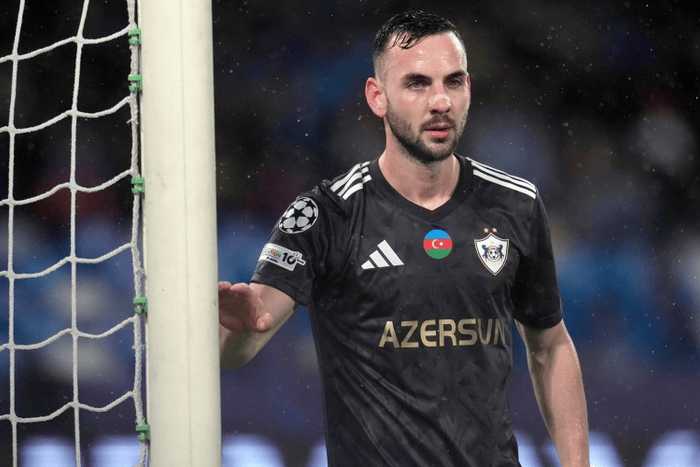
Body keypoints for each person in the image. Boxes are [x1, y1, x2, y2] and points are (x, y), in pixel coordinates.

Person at [219, 9, 590, 467]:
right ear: (377, 97)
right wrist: (238, 330)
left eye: (453, 82)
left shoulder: (516, 204)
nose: (441, 101)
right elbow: (241, 344)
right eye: (417, 84)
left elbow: (550, 346)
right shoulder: (326, 214)